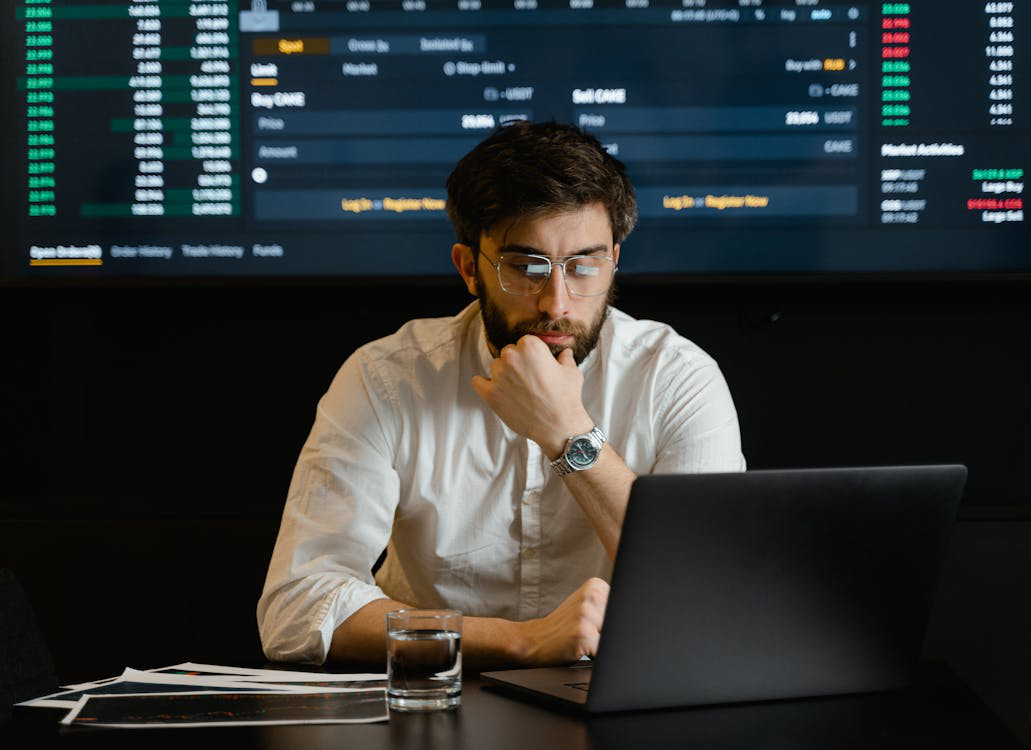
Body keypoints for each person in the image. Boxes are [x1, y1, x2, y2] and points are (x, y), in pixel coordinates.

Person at [257, 121, 745, 668]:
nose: (556, 302)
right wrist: (522, 641)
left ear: (615, 260)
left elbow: (709, 595)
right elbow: (297, 609)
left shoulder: (678, 378)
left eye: (585, 265)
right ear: (470, 268)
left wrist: (569, 436)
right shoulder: (386, 377)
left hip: (620, 701)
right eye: (525, 267)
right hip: (431, 702)